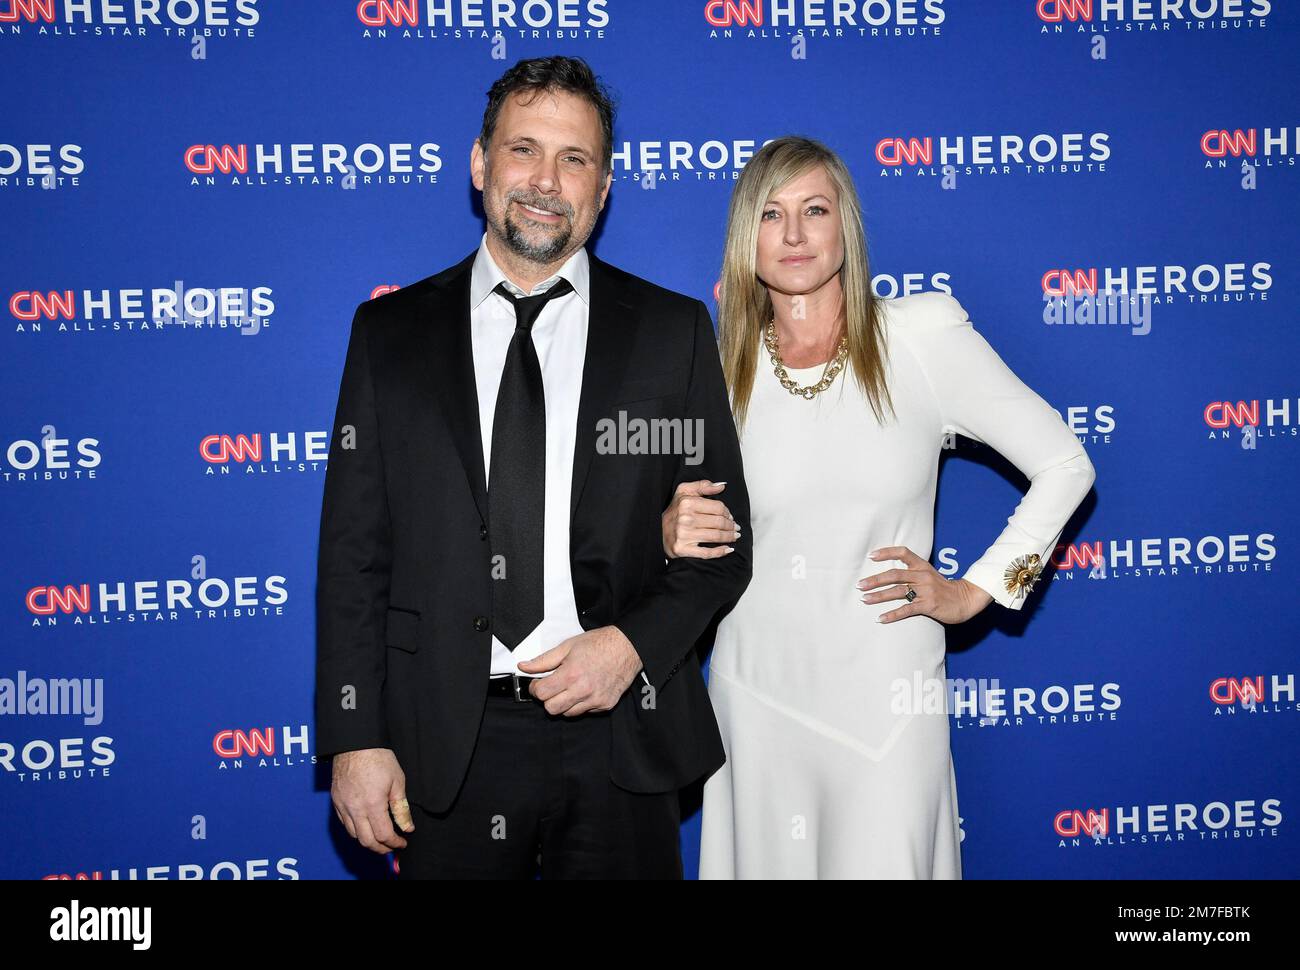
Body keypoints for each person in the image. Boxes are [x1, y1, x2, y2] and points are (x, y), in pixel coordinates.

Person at [314, 55, 752, 879]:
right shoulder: (389, 336)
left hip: (621, 734)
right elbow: (352, 558)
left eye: (574, 158)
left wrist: (629, 646)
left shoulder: (671, 333)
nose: (546, 180)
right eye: (523, 150)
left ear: (605, 185)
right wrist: (354, 736)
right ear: (480, 163)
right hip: (444, 745)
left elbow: (724, 545)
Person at [660, 136, 1096, 878]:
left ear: (846, 227)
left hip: (888, 701)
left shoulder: (919, 338)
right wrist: (667, 530)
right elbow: (665, 520)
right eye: (771, 213)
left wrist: (978, 591)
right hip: (753, 697)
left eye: (815, 209)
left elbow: (1065, 464)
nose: (794, 234)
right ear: (746, 235)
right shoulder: (713, 365)